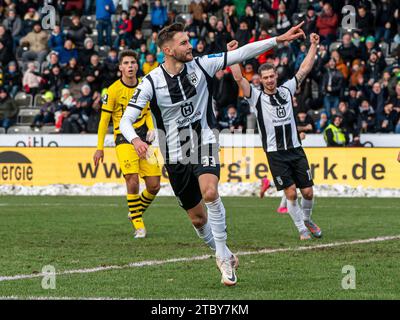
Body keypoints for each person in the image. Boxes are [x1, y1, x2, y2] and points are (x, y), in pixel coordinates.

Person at [120, 22, 307, 286]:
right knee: (198, 219)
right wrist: (136, 139)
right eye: (184, 43)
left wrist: (278, 38)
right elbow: (125, 121)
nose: (190, 46)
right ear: (168, 50)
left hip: (204, 140)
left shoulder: (201, 65)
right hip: (175, 155)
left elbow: (240, 54)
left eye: (189, 41)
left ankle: (222, 259)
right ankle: (226, 252)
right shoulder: (151, 82)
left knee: (210, 192)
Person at [230, 32, 322, 241]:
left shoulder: (287, 90)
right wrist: (233, 54)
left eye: (272, 76)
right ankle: (301, 230)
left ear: (276, 76)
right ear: (260, 80)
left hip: (295, 149)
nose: (270, 80)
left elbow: (304, 69)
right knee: (290, 193)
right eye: (265, 78)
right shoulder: (256, 97)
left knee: (307, 192)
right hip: (275, 153)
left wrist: (313, 45)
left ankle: (307, 219)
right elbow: (238, 78)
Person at [93, 50, 161, 239]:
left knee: (155, 185)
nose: (130, 66)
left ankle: (135, 210)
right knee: (132, 179)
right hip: (124, 139)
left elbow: (147, 112)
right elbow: (103, 121)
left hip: (144, 139)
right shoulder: (113, 90)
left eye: (133, 62)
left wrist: (151, 128)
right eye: (126, 63)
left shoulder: (144, 85)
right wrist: (100, 148)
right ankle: (139, 225)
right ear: (120, 67)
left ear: (136, 65)